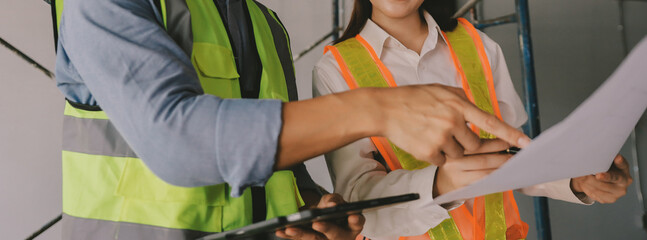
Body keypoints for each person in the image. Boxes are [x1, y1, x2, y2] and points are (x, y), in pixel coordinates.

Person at [52, 0, 530, 239]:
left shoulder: (263, 21)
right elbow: (179, 143)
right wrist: (378, 107)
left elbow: (281, 166)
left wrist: (320, 210)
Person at [313, 0, 634, 239]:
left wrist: (575, 180)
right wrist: (441, 185)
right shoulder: (335, 70)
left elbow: (511, 159)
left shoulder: (478, 45)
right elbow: (356, 200)